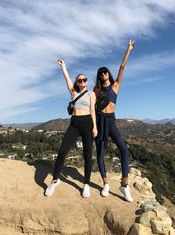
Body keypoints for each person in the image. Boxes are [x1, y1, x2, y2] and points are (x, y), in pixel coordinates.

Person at [45, 59, 98, 198]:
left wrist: (95, 127)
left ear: (87, 81)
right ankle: (55, 180)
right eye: (79, 80)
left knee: (87, 155)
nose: (82, 82)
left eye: (84, 80)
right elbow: (67, 79)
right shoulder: (74, 92)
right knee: (62, 152)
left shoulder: (91, 94)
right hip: (74, 123)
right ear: (77, 82)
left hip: (87, 123)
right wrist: (64, 67)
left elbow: (93, 110)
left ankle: (86, 184)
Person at [93, 39, 135, 202]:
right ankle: (105, 184)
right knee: (99, 156)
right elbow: (91, 107)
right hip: (99, 121)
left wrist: (128, 50)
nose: (103, 74)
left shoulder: (115, 85)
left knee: (124, 150)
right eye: (100, 73)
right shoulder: (96, 90)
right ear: (99, 76)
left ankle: (124, 185)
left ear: (108, 73)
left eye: (105, 71)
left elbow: (122, 67)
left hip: (110, 121)